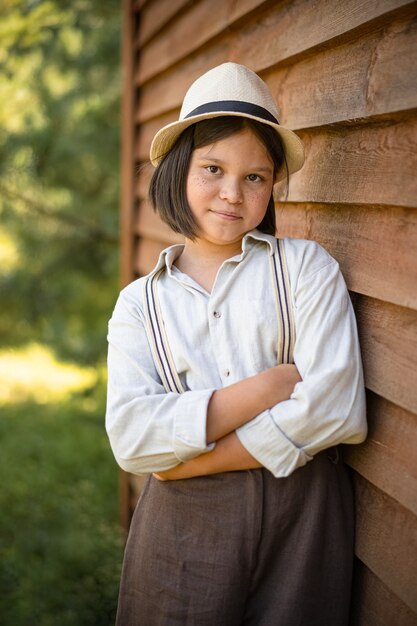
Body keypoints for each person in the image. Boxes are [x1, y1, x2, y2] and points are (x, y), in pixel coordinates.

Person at [106, 62, 367, 626]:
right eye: (213, 168)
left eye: (255, 177)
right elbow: (132, 440)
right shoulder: (139, 306)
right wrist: (268, 386)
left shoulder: (304, 269)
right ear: (177, 171)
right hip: (182, 526)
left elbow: (337, 411)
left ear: (272, 186)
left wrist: (192, 461)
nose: (232, 193)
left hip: (305, 515)